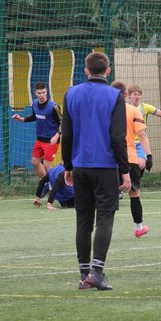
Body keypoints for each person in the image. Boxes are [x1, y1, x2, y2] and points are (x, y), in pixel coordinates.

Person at [61, 52, 130, 291]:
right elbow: (118, 137)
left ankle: (84, 276)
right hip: (105, 166)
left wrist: (68, 166)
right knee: (105, 217)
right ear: (108, 71)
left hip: (80, 166)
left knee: (83, 219)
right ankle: (97, 272)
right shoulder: (115, 95)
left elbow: (67, 134)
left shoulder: (71, 93)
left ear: (86, 70)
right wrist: (125, 169)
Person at [112, 81, 154, 238]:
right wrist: (149, 156)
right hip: (129, 158)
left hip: (108, 159)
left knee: (105, 195)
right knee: (134, 193)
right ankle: (139, 227)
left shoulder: (104, 110)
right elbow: (142, 135)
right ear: (125, 95)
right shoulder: (134, 111)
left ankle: (102, 229)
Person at [12, 81, 62, 178]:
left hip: (51, 140)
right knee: (34, 162)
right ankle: (45, 182)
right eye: (39, 93)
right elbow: (34, 116)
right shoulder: (34, 104)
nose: (42, 95)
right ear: (35, 93)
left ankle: (57, 184)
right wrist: (21, 118)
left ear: (46, 92)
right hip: (40, 139)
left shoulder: (53, 107)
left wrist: (56, 136)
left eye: (43, 92)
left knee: (47, 166)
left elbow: (62, 123)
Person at [127, 84, 161, 174]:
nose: (137, 97)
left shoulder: (145, 107)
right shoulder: (125, 108)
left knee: (140, 164)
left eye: (139, 95)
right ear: (129, 96)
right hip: (128, 142)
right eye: (134, 94)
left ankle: (137, 179)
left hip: (140, 142)